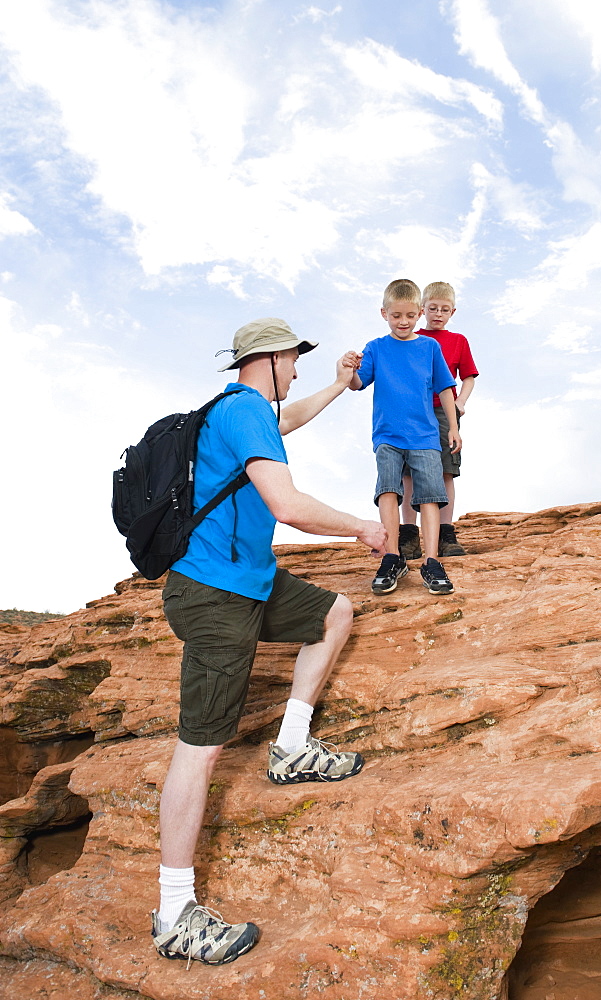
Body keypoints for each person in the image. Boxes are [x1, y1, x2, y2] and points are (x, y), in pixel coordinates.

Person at [151, 318, 387, 968]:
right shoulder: (246, 409)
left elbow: (291, 422)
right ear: (274, 357)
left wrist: (341, 386)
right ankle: (174, 914)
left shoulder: (232, 412)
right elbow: (286, 505)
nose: (297, 372)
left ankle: (290, 748)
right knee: (198, 751)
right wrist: (363, 529)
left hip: (250, 583)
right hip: (216, 596)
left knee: (333, 612)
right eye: (294, 362)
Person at [349, 279, 461, 597]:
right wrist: (347, 370)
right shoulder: (375, 348)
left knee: (429, 496)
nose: (403, 322)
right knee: (388, 490)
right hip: (387, 435)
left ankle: (431, 561)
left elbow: (445, 388)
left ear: (419, 313)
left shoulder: (429, 347)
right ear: (384, 313)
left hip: (425, 435)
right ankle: (392, 557)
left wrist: (452, 427)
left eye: (410, 315)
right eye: (396, 315)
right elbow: (358, 383)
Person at [400, 281, 479, 559]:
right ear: (422, 309)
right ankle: (408, 535)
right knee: (409, 472)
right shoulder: (412, 337)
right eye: (432, 308)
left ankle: (446, 535)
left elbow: (468, 376)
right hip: (413, 414)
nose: (438, 313)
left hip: (445, 414)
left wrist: (460, 403)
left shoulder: (458, 341)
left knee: (446, 470)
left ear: (452, 312)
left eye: (444, 309)